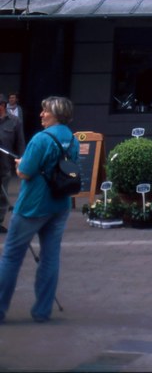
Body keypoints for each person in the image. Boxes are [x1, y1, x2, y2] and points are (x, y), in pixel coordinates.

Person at [0, 96, 80, 324]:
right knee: (50, 257)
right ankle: (42, 311)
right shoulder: (72, 139)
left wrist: (20, 164)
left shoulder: (41, 139)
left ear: (56, 114)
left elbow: (25, 172)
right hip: (59, 204)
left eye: (45, 111)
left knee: (11, 258)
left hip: (33, 206)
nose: (41, 114)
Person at [0, 93, 25, 234]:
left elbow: (20, 143)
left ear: (2, 106)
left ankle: (0, 221)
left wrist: (22, 160)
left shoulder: (15, 121)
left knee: (3, 195)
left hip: (5, 165)